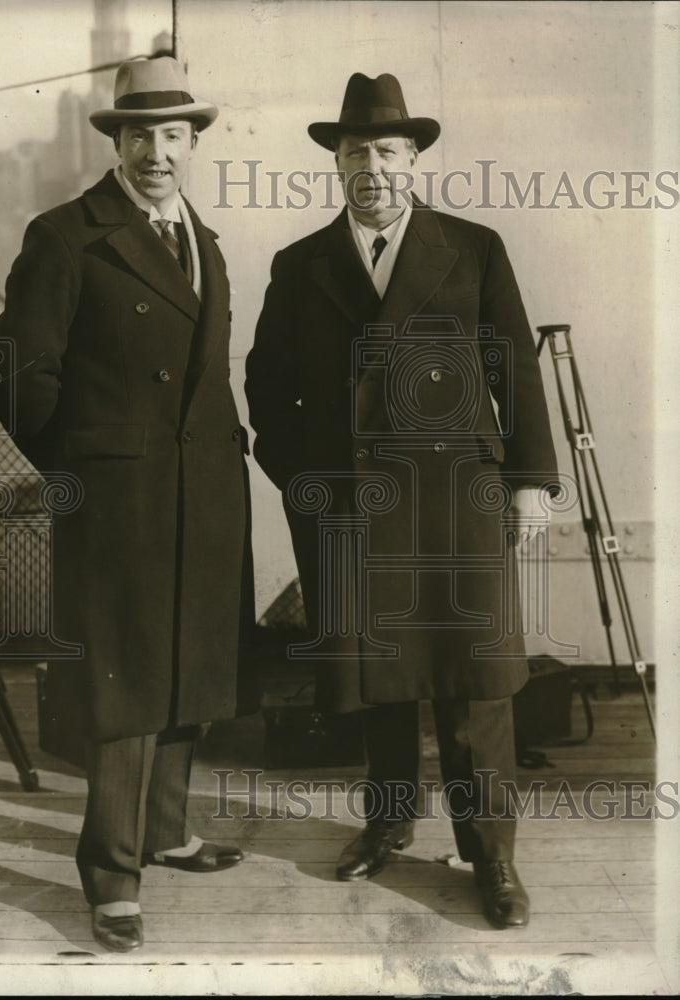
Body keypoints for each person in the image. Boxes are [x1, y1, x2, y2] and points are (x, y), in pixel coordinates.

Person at [245, 72, 559, 929]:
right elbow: (264, 384)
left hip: (458, 501)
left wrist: (529, 483)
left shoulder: (475, 246)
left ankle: (492, 857)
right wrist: (300, 481)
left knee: (475, 686)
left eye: (388, 150)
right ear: (336, 164)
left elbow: (514, 371)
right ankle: (387, 827)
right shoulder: (301, 263)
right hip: (350, 509)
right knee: (377, 684)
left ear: (414, 158)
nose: (372, 166)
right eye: (355, 153)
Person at [0, 56, 258, 953]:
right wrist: (83, 471)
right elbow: (20, 375)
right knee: (123, 686)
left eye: (173, 135)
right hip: (118, 501)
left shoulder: (205, 240)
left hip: (205, 494)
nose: (157, 152)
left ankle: (166, 830)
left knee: (188, 670)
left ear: (193, 144)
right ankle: (110, 873)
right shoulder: (69, 236)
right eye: (140, 134)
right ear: (118, 142)